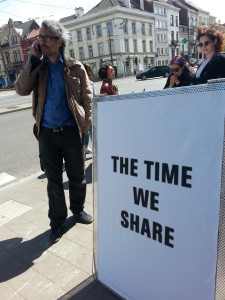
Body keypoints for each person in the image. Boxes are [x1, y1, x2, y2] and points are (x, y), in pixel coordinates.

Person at [15, 20, 93, 243]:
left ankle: (78, 209)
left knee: (77, 176)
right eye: (39, 38)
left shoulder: (75, 67)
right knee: (53, 181)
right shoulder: (37, 67)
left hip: (70, 131)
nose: (41, 42)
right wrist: (32, 59)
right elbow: (21, 89)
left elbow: (87, 99)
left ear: (59, 41)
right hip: (47, 134)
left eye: (45, 37)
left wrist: (84, 128)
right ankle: (57, 222)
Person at [83, 63, 97, 155]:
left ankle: (93, 147)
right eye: (87, 70)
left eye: (89, 70)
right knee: (87, 131)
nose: (88, 72)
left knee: (92, 130)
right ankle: (85, 147)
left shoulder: (91, 83)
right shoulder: (81, 83)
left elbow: (94, 94)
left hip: (92, 109)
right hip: (85, 110)